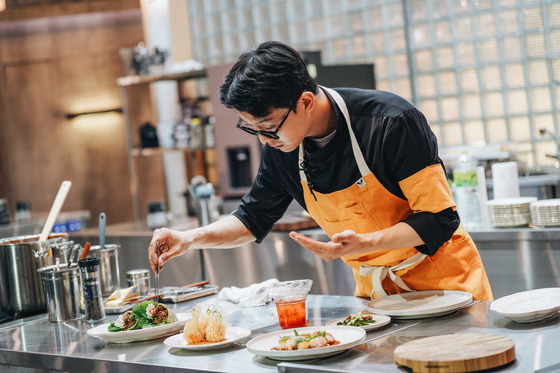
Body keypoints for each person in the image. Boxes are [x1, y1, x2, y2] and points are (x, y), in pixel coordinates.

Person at [148, 41, 493, 301]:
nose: (265, 140)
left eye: (268, 126)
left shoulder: (391, 123)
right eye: (252, 129)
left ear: (306, 102)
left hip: (446, 289)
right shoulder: (283, 146)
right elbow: (253, 218)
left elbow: (439, 218)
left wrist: (363, 243)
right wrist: (190, 238)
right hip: (378, 300)